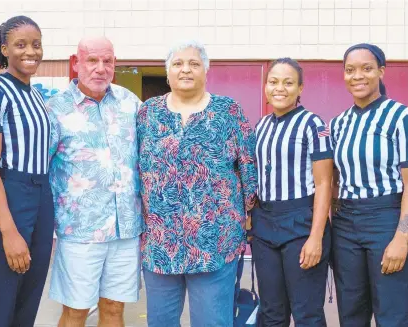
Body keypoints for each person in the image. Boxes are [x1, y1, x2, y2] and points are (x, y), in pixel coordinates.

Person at [136, 40, 257, 327]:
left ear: (206, 70)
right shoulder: (147, 113)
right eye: (178, 64)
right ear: (168, 73)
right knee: (161, 322)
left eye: (194, 63)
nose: (186, 70)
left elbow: (248, 168)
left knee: (213, 322)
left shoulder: (229, 111)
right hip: (160, 243)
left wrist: (246, 217)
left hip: (215, 243)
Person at [47, 36, 142, 327]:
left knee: (114, 309)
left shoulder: (131, 104)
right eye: (92, 60)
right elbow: (39, 170)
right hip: (79, 232)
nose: (100, 68)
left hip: (126, 230)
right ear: (76, 63)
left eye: (107, 61)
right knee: (75, 312)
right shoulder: (54, 109)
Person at [0, 16, 53, 327]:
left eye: (36, 44)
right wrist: (8, 232)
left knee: (28, 299)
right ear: (4, 49)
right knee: (0, 300)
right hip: (9, 193)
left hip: (41, 194)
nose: (30, 51)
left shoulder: (35, 96)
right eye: (20, 45)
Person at [330, 43, 408, 327]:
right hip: (345, 224)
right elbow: (335, 179)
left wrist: (402, 237)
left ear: (381, 72)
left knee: (392, 311)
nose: (357, 76)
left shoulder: (400, 117)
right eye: (350, 70)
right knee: (351, 310)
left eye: (366, 68)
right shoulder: (338, 123)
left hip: (386, 218)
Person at [252, 58, 333, 327]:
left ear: (300, 88)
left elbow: (324, 183)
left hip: (301, 223)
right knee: (272, 313)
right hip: (265, 225)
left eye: (288, 83)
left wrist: (316, 237)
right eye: (273, 82)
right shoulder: (261, 126)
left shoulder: (313, 124)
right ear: (266, 86)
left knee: (306, 313)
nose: (280, 88)